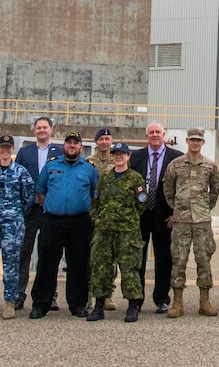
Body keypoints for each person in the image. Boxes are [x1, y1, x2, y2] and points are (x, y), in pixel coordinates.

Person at [29, 130, 100, 318]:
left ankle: (77, 304)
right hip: (52, 220)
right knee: (46, 263)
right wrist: (55, 205)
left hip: (79, 221)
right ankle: (40, 304)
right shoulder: (51, 166)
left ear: (80, 146)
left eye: (76, 143)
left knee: (78, 264)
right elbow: (41, 191)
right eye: (69, 143)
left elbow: (94, 194)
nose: (72, 146)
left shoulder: (88, 168)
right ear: (64, 146)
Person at [162, 126, 219, 318]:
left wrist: (204, 207)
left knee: (204, 260)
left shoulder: (210, 166)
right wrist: (178, 208)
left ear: (202, 142)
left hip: (202, 221)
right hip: (181, 221)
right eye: (192, 140)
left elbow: (215, 190)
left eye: (198, 140)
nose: (195, 143)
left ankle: (204, 301)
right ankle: (177, 302)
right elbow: (168, 189)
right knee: (179, 260)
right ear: (187, 141)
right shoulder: (175, 165)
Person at [87, 142, 147, 321]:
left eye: (122, 154)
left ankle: (132, 306)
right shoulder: (105, 178)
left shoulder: (135, 179)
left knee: (129, 269)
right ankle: (98, 306)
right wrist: (99, 220)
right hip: (105, 231)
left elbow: (141, 203)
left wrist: (128, 217)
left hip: (127, 232)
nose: (119, 157)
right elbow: (96, 202)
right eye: (116, 154)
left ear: (128, 157)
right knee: (101, 268)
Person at [0, 134, 35, 320]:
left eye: (8, 148)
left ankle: (10, 302)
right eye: (2, 147)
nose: (5, 150)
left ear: (12, 150)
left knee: (11, 265)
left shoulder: (21, 172)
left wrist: (15, 213)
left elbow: (28, 197)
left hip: (13, 225)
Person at [15, 116, 64, 309]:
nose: (42, 130)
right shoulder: (24, 152)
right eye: (39, 127)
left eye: (45, 127)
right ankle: (19, 294)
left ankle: (49, 295)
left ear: (51, 130)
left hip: (51, 210)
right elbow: (16, 179)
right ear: (34, 131)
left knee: (49, 254)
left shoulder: (60, 152)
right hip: (29, 211)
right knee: (23, 253)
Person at [130, 120, 178, 313]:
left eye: (158, 132)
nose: (155, 135)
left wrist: (175, 213)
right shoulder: (136, 157)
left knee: (164, 258)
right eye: (151, 132)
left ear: (164, 134)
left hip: (165, 216)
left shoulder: (176, 158)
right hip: (140, 215)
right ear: (146, 136)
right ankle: (137, 299)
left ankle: (161, 298)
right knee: (137, 258)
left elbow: (180, 189)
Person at [87, 128, 118, 309]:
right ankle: (90, 292)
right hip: (92, 215)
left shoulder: (118, 160)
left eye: (107, 139)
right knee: (91, 256)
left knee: (110, 257)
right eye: (101, 139)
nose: (105, 142)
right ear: (96, 142)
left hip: (111, 216)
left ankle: (107, 294)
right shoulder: (89, 162)